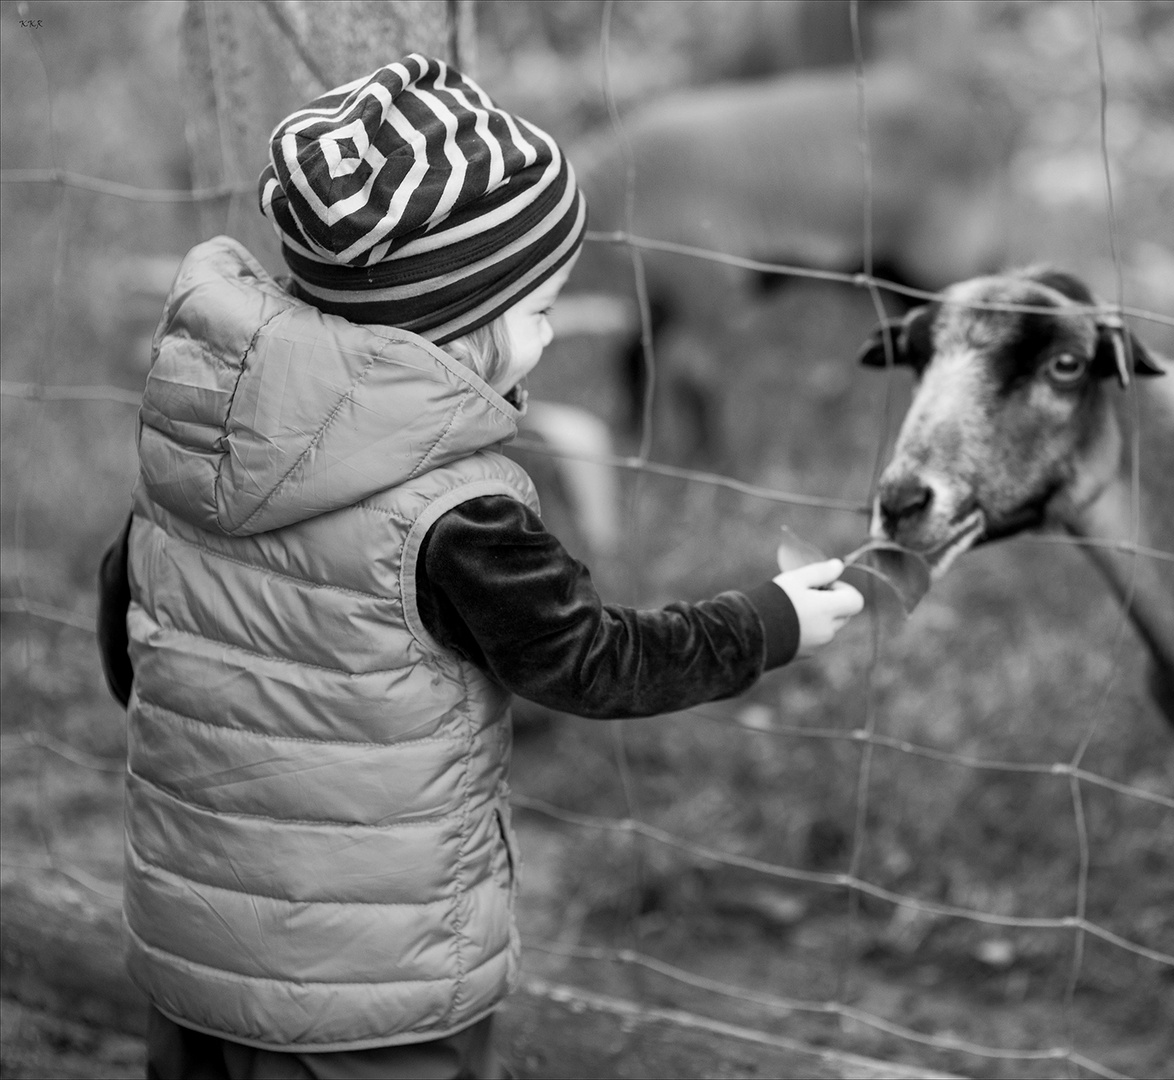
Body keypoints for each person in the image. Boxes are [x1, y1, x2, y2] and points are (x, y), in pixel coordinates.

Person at [95, 53, 863, 1080]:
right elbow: (589, 662)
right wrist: (765, 624)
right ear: (456, 328)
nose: (552, 334)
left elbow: (127, 641)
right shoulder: (456, 515)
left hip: (190, 963)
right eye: (540, 309)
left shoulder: (201, 437)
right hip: (372, 1001)